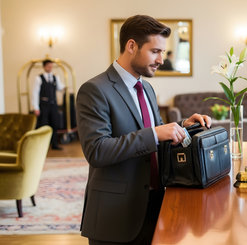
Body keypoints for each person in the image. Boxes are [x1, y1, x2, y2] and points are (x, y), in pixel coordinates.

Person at [76, 15, 211, 244]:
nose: (161, 59)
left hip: (156, 204)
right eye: (155, 51)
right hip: (116, 215)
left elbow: (154, 129)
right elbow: (97, 151)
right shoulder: (94, 90)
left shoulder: (146, 88)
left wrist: (182, 126)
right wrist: (156, 133)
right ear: (131, 46)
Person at [32, 59, 65, 150]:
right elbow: (35, 93)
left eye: (51, 66)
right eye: (48, 66)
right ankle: (42, 146)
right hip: (43, 105)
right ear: (44, 67)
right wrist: (36, 107)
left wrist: (65, 87)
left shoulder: (55, 77)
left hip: (53, 105)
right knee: (43, 125)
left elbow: (60, 87)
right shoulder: (39, 78)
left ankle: (54, 144)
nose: (50, 68)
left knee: (54, 124)